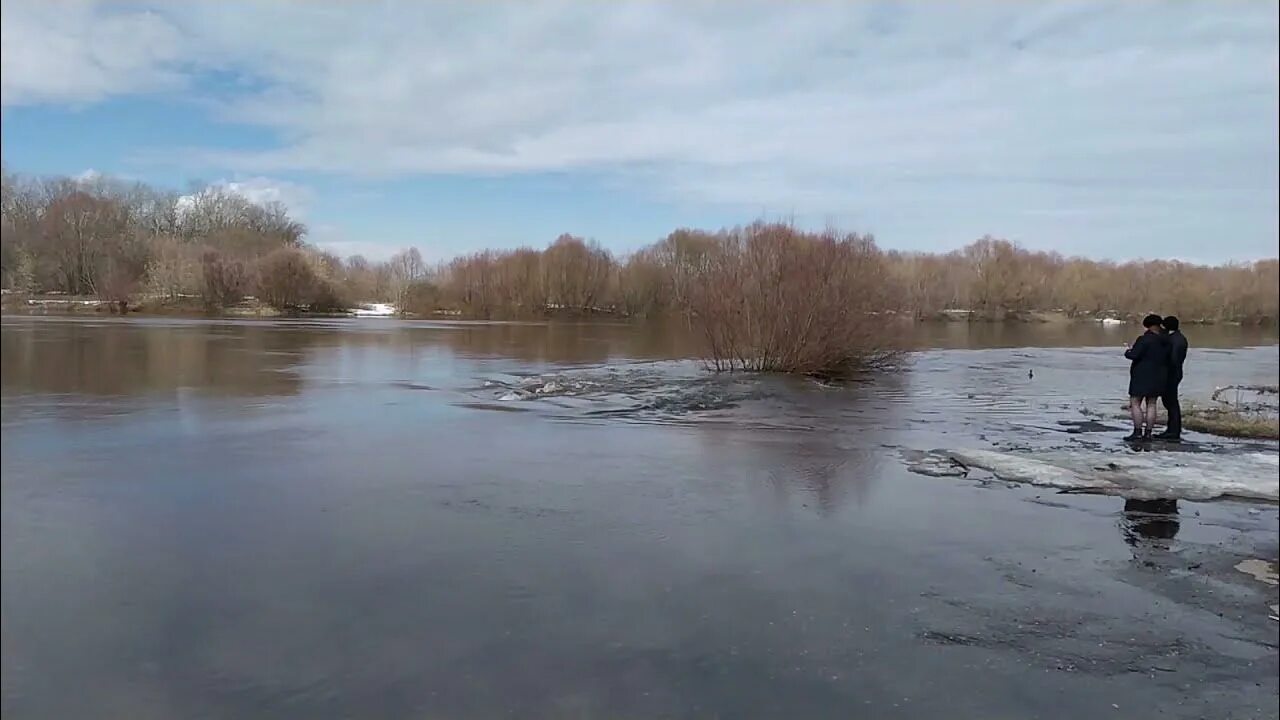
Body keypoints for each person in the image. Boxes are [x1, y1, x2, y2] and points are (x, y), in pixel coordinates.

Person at [1123, 314, 1169, 441]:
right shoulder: (1166, 341)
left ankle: (1137, 432)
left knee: (1135, 403)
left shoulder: (1144, 339)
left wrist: (1128, 351)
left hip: (1142, 375)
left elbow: (1134, 355)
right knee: (1152, 404)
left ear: (1149, 326)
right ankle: (1148, 433)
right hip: (1159, 376)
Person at [1156, 315, 1189, 440]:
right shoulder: (1178, 338)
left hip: (1172, 374)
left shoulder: (1175, 340)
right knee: (1170, 402)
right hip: (1175, 373)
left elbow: (1174, 359)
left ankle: (1173, 431)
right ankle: (1172, 429)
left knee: (1171, 403)